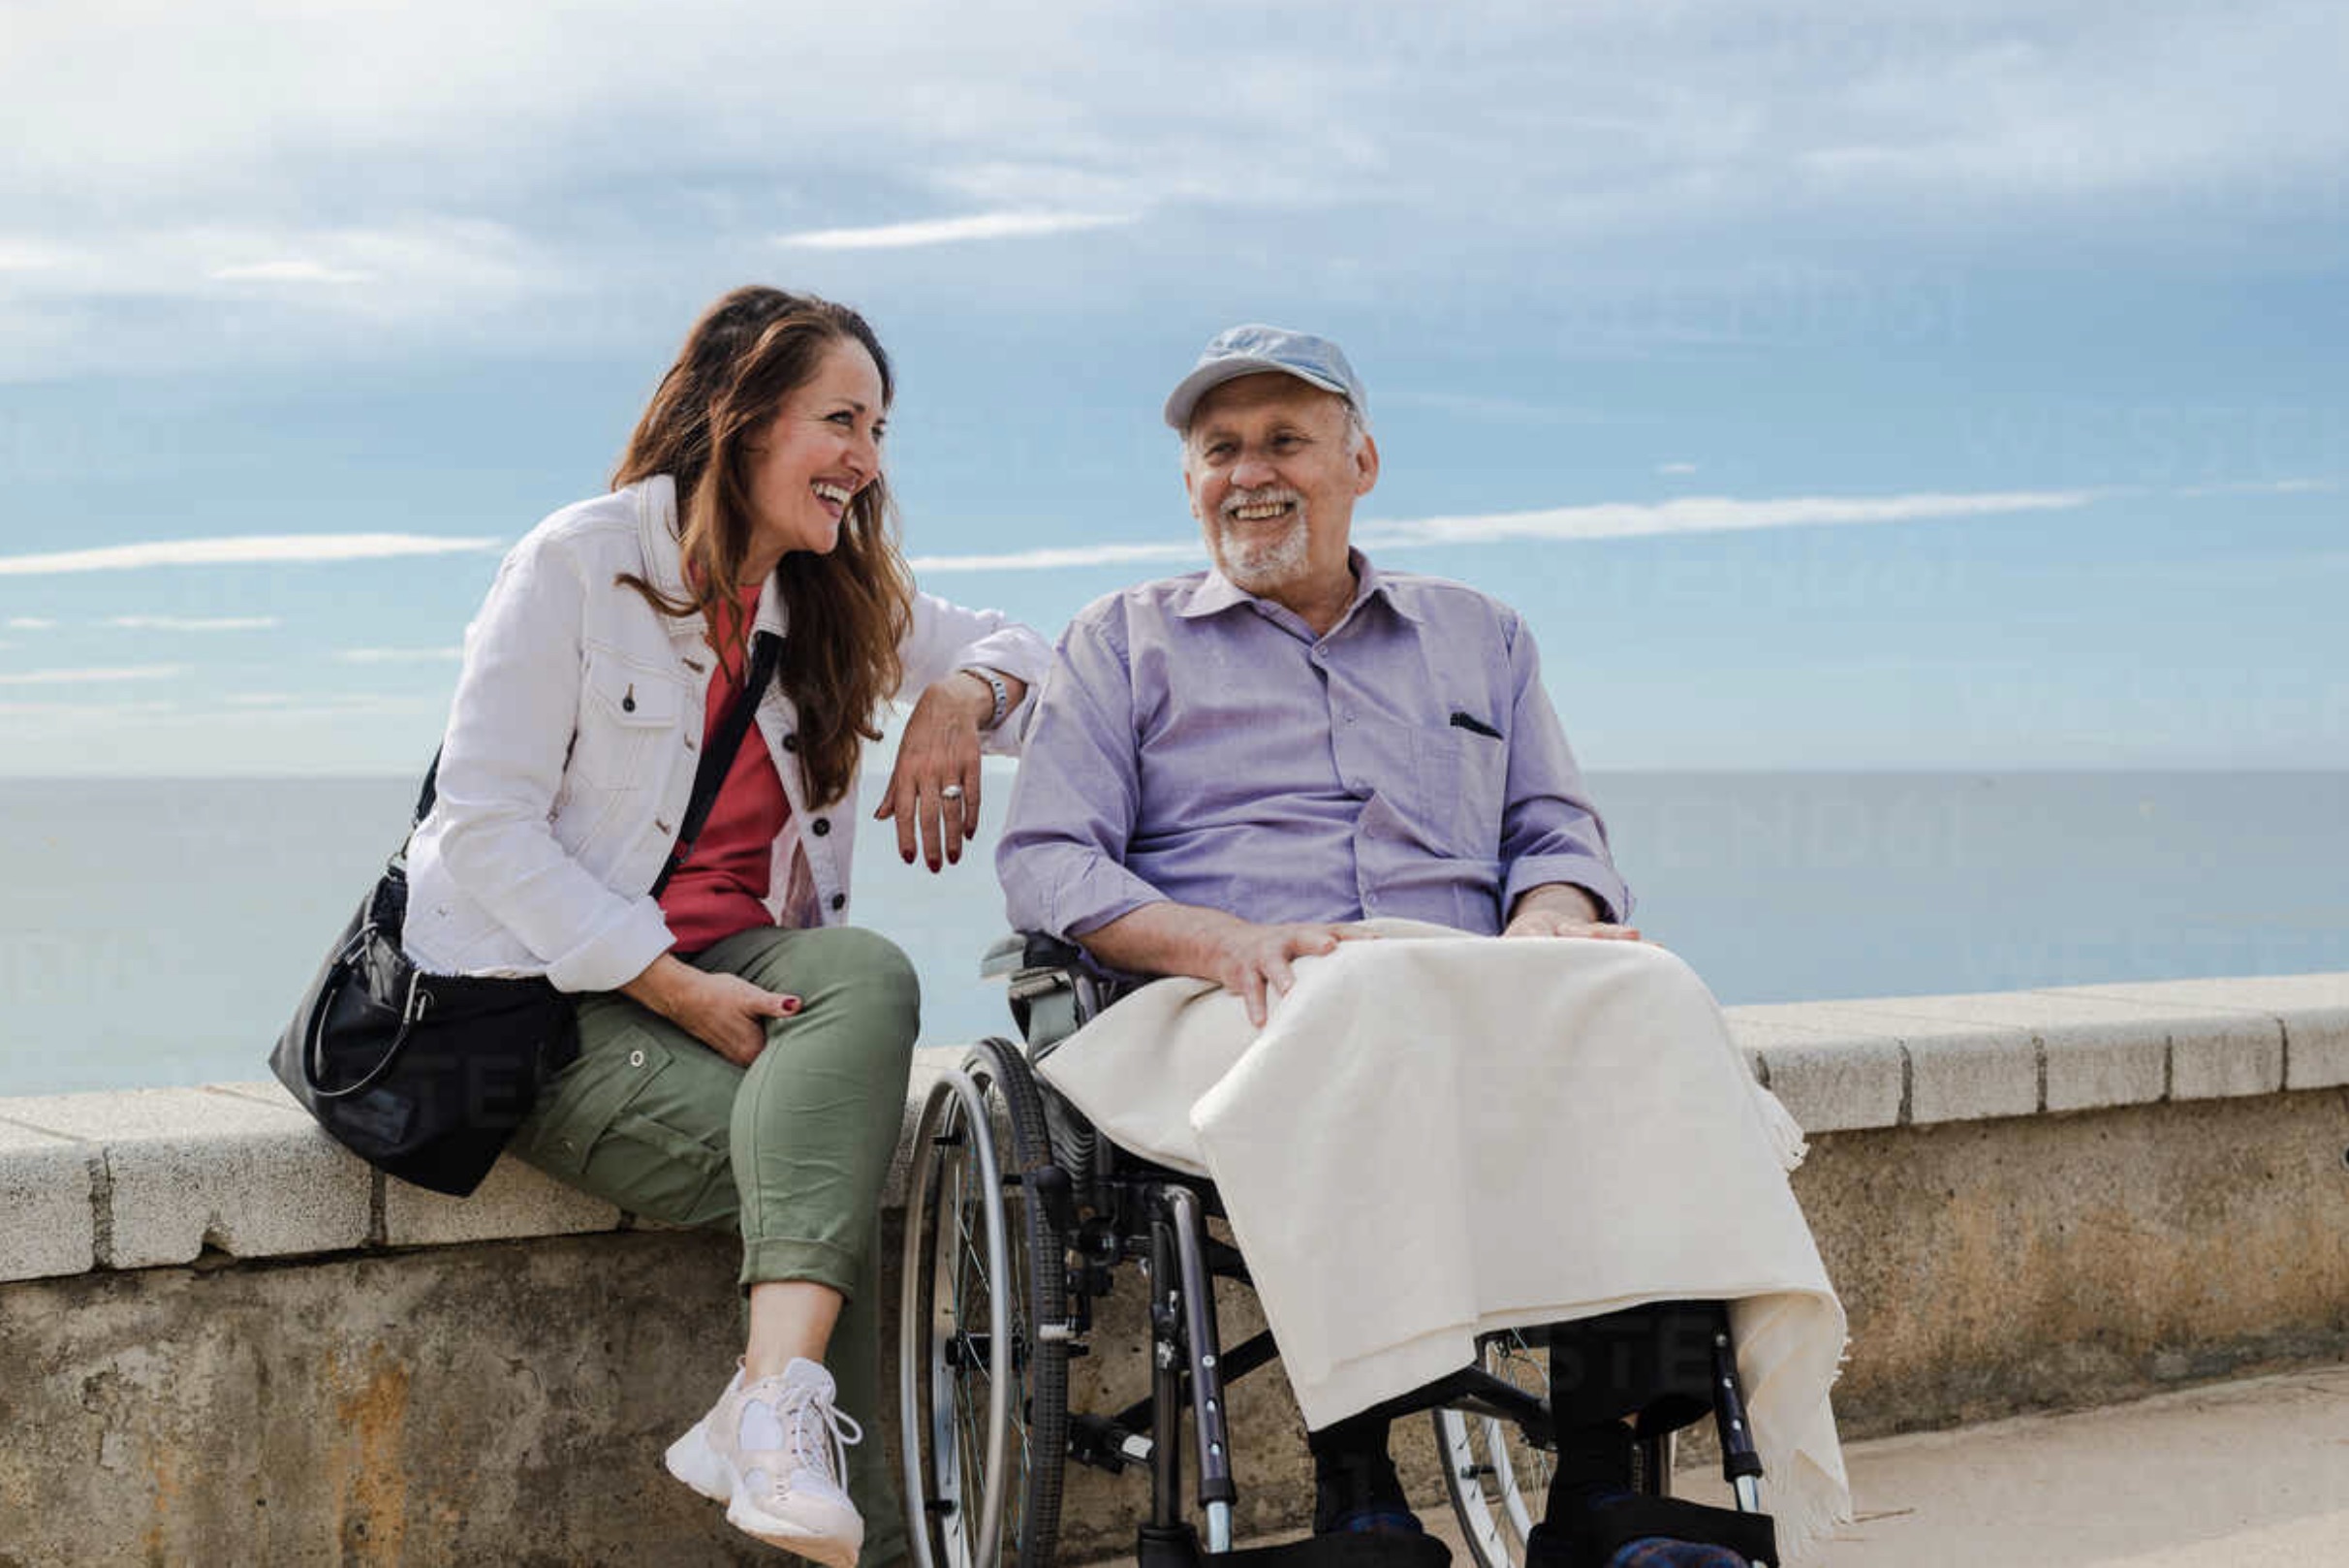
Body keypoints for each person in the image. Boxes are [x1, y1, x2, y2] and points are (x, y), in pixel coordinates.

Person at [997, 327, 1785, 1568]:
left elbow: (1557, 830)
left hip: (1467, 990)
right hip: (1227, 998)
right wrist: (1222, 941)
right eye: (1222, 451)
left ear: (1360, 460)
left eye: (1286, 442)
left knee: (1650, 993)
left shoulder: (1482, 636)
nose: (1252, 472)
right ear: (1192, 482)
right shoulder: (1121, 640)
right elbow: (1048, 860)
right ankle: (1357, 1494)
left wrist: (1553, 927)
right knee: (1360, 1006)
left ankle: (1600, 1493)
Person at [402, 286, 1049, 1568]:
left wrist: (957, 698)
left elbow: (1057, 664)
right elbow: (478, 825)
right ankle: (811, 1466)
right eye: (840, 419)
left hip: (738, 975)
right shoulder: (579, 562)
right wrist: (667, 986)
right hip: (548, 1008)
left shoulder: (828, 599)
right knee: (833, 1176)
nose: (867, 459)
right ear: (740, 418)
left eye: (880, 429)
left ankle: (767, 1416)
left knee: (860, 972)